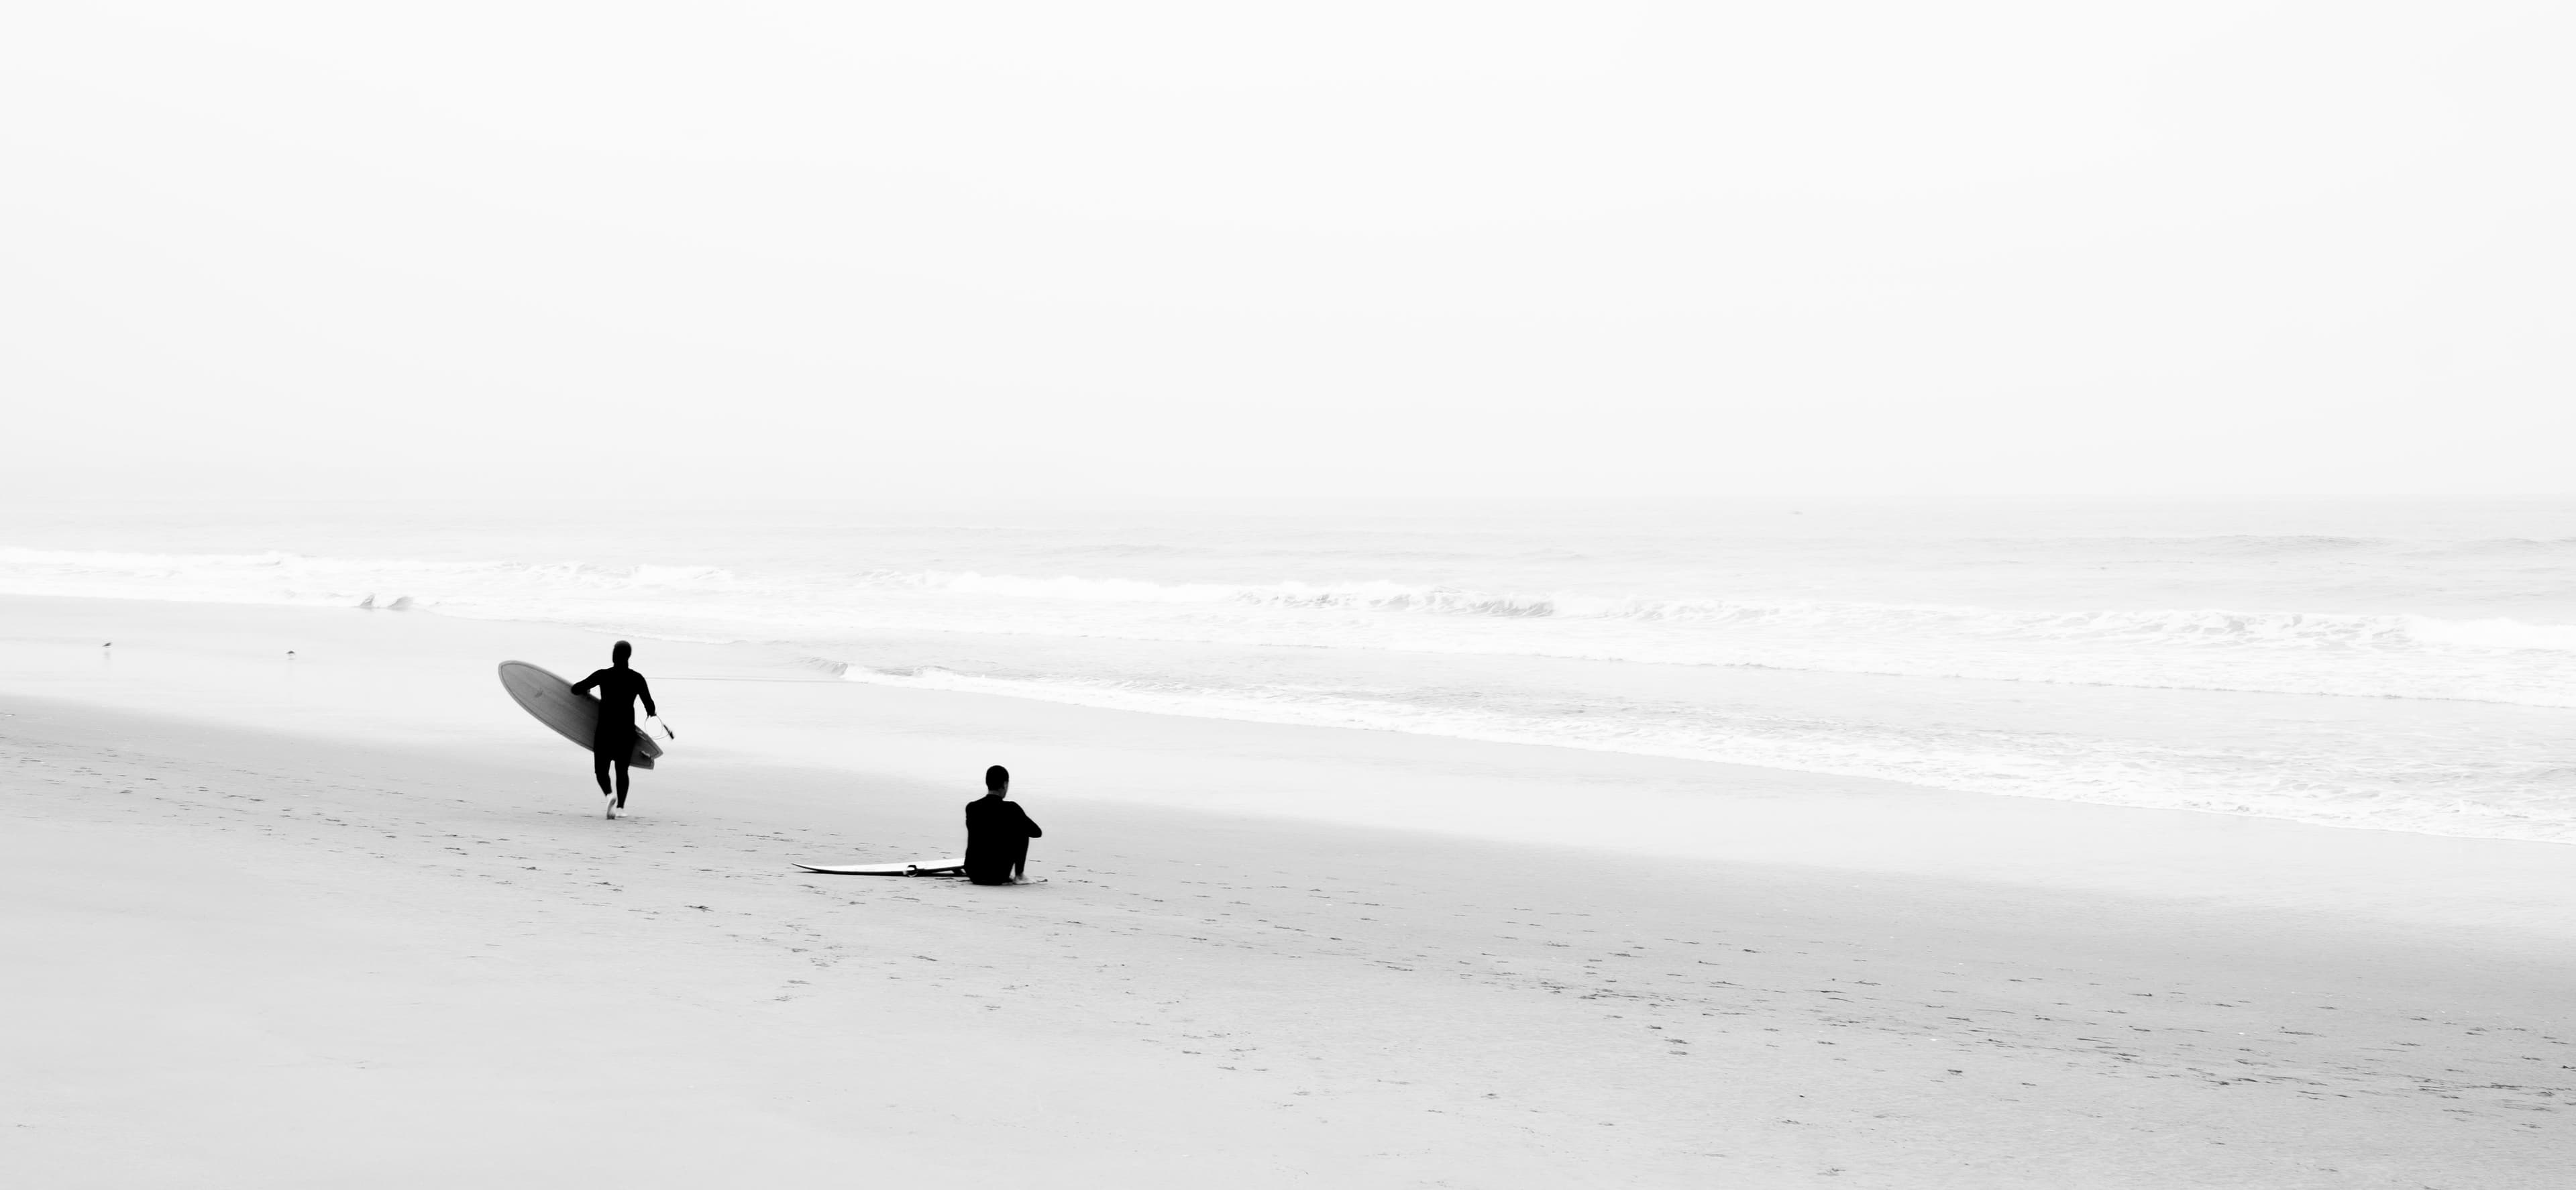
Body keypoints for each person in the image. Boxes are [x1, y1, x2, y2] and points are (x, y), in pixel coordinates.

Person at [570, 641, 658, 814]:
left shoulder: (603, 675)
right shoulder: (637, 678)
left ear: (614, 655)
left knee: (601, 770)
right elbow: (650, 706)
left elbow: (576, 689)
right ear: (629, 656)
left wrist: (586, 692)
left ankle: (609, 795)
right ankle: (620, 808)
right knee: (622, 770)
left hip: (605, 728)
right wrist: (652, 714)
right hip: (626, 730)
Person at [963, 765, 1042, 885]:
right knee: (1022, 830)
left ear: (987, 783)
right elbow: (1037, 833)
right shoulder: (1012, 809)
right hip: (998, 874)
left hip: (973, 873)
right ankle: (1019, 875)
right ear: (1005, 784)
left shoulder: (972, 807)